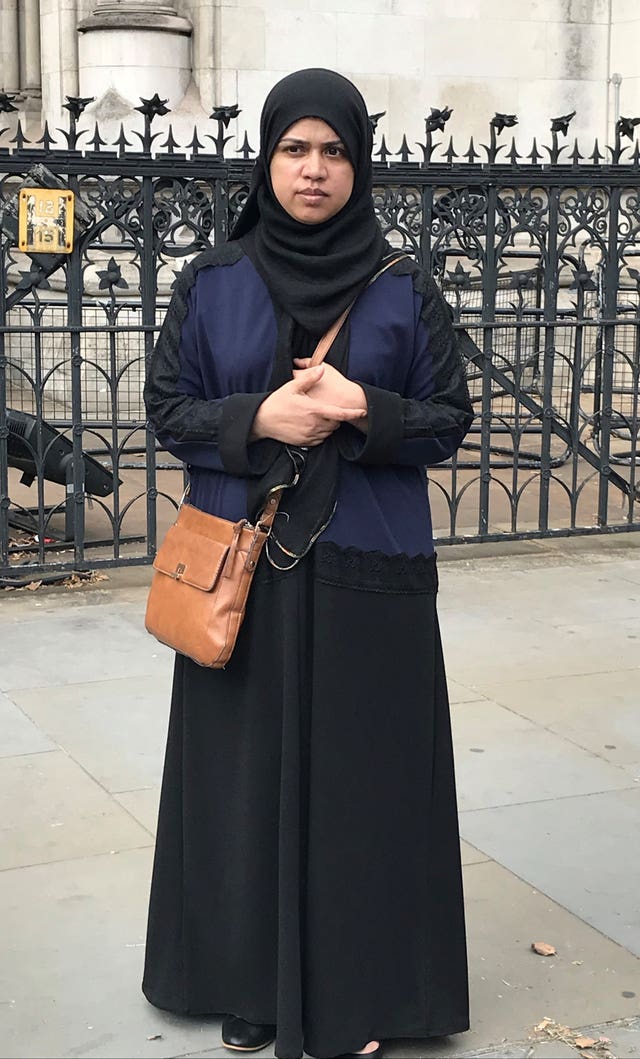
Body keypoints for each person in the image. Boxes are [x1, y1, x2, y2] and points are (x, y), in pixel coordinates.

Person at [142, 68, 474, 1059]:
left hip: (369, 574)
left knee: (364, 785)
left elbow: (449, 421)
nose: (315, 170)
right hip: (241, 574)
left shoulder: (403, 289)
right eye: (296, 150)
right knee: (244, 784)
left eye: (334, 151)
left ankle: (365, 992)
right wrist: (262, 418)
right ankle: (250, 982)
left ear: (357, 165)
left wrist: (361, 408)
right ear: (268, 160)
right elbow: (168, 411)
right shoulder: (213, 282)